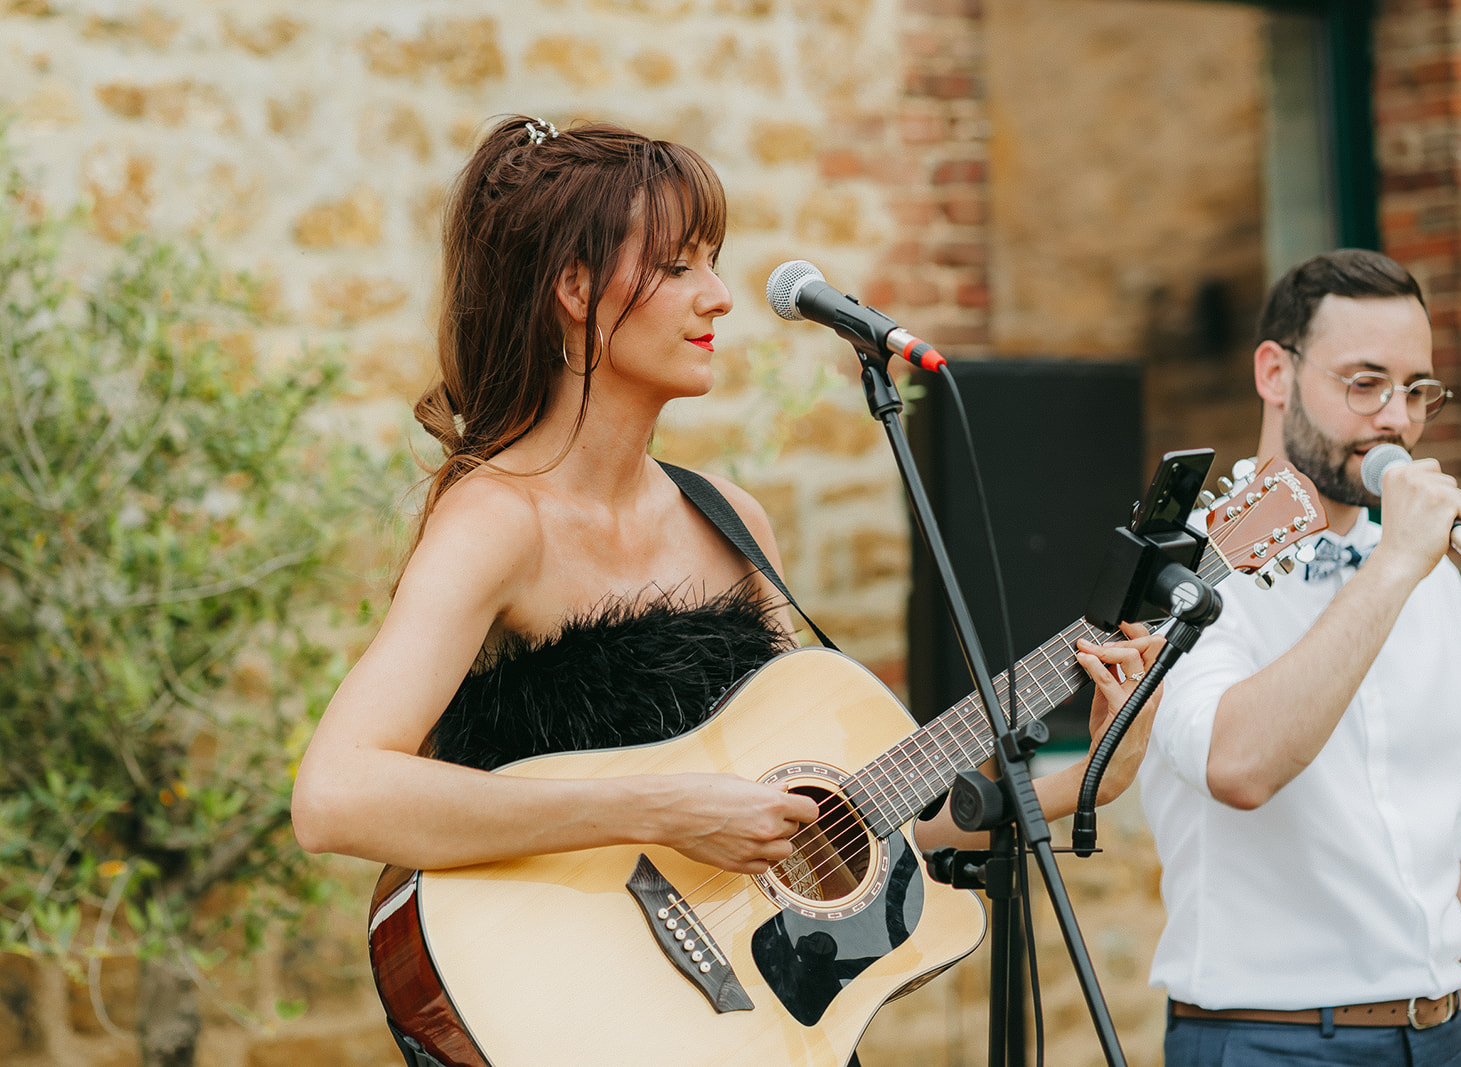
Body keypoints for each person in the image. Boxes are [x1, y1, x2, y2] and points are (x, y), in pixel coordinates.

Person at [289, 116, 1162, 1063]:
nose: (719, 296)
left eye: (713, 262)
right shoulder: (499, 519)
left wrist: (1089, 778)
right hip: (582, 1020)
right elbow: (337, 793)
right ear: (574, 290)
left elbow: (845, 831)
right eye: (678, 267)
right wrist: (664, 810)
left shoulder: (730, 522)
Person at [1140, 249, 1461, 1067]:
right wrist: (1393, 567)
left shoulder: (1434, 584)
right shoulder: (1185, 568)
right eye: (1365, 383)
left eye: (1416, 390)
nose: (1396, 418)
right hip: (1271, 1038)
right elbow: (1237, 764)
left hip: (1442, 1033)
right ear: (1275, 373)